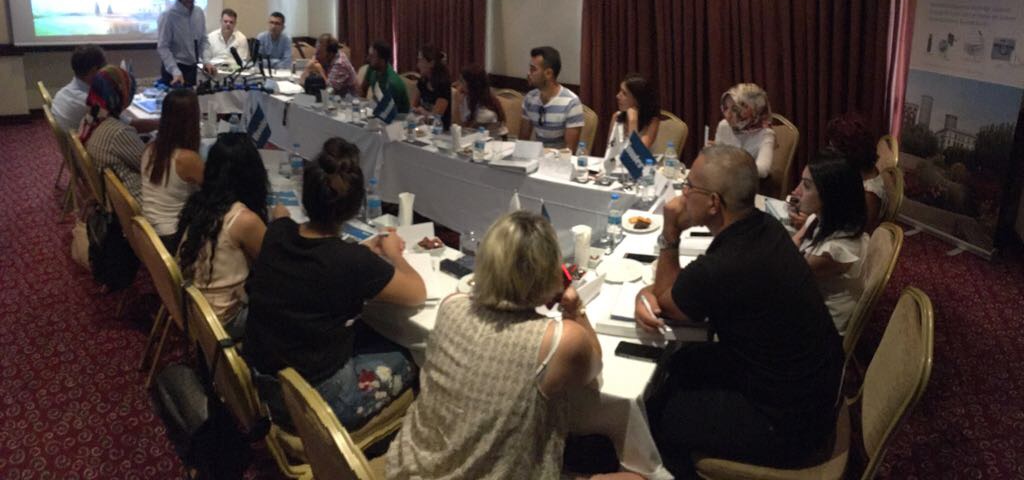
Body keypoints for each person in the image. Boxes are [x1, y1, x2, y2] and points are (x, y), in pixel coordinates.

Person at [634, 145, 842, 478]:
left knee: (657, 414)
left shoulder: (724, 265)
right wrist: (656, 292)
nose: (682, 194)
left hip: (788, 422)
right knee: (681, 362)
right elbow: (674, 293)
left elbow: (668, 303)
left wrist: (670, 231)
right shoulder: (765, 227)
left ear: (713, 203)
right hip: (813, 388)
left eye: (689, 186)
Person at [387, 211, 602, 479]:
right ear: (550, 274)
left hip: (412, 468)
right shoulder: (561, 340)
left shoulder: (451, 305)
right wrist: (575, 308)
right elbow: (595, 366)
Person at [244, 137, 425, 429]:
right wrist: (394, 255)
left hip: (261, 378)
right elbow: (417, 293)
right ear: (354, 207)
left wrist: (363, 251)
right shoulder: (350, 261)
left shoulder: (278, 232)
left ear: (305, 197)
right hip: (317, 403)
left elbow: (317, 260)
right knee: (412, 355)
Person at [176, 133, 284, 339]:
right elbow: (277, 265)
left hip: (194, 308)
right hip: (223, 320)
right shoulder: (243, 219)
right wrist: (281, 223)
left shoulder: (198, 203)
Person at [790, 152, 868, 335]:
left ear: (831, 196)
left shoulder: (835, 251)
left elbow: (785, 276)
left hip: (821, 329)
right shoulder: (821, 218)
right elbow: (794, 242)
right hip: (806, 302)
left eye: (806, 186)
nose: (796, 191)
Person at [141, 88, 204, 251]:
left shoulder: (150, 149)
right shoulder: (187, 159)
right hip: (173, 237)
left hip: (148, 232)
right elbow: (217, 192)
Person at [52, 46, 159, 134]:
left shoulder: (61, 93)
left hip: (76, 146)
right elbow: (130, 126)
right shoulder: (92, 104)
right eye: (105, 66)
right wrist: (161, 123)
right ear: (94, 70)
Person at [79, 66, 146, 201]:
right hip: (139, 201)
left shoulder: (90, 119)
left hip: (115, 199)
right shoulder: (119, 132)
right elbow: (153, 169)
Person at [822, 113, 887, 232]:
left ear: (850, 152)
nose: (831, 153)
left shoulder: (870, 195)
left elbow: (856, 234)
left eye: (834, 149)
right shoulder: (857, 170)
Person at [519, 46, 584, 150]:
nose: (528, 73)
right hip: (536, 156)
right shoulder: (530, 98)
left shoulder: (571, 103)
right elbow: (523, 141)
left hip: (559, 158)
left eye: (533, 69)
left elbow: (569, 150)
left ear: (548, 73)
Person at [157, 0, 215, 86]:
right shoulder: (168, 15)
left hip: (192, 68)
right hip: (174, 71)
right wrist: (175, 71)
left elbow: (203, 40)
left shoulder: (199, 13)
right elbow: (163, 47)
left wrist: (206, 61)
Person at [713, 83, 775, 178]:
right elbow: (716, 159)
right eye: (726, 108)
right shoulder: (724, 126)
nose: (727, 115)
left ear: (753, 111)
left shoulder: (766, 134)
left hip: (748, 184)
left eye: (735, 109)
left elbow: (763, 170)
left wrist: (729, 165)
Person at [52, 45, 107, 131]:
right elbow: (121, 124)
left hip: (74, 137)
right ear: (94, 71)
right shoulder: (90, 104)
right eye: (105, 68)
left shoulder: (61, 93)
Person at [607, 73, 661, 150]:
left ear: (637, 99)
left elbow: (637, 153)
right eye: (620, 91)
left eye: (624, 93)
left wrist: (633, 121)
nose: (618, 96)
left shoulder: (652, 122)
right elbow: (610, 150)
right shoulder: (616, 116)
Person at [455, 63, 507, 138]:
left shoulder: (486, 112)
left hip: (493, 142)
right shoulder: (466, 98)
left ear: (472, 85)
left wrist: (457, 104)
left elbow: (464, 132)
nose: (458, 84)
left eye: (462, 81)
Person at [359, 40, 410, 114]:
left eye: (372, 56)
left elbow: (389, 113)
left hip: (398, 117)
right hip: (380, 110)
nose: (368, 59)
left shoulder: (392, 83)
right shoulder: (372, 69)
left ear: (382, 60)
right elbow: (363, 89)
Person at [412, 45, 452, 128]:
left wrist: (422, 112)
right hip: (423, 126)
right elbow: (413, 106)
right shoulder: (422, 81)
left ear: (431, 63)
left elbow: (436, 117)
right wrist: (415, 110)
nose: (418, 65)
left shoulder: (443, 85)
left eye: (421, 61)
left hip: (440, 130)